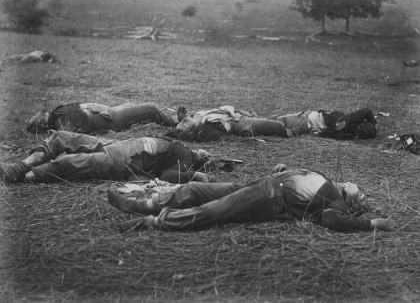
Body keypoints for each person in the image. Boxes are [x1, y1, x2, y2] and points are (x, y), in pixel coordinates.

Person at [108, 163, 396, 233]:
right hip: (262, 183)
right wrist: (284, 169)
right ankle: (140, 204)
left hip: (269, 197)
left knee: (213, 211)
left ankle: (150, 222)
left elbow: (333, 221)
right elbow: (300, 181)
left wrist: (371, 223)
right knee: (196, 190)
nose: (360, 186)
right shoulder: (329, 182)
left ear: (354, 203)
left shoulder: (336, 203)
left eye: (363, 194)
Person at [0, 131, 211, 184]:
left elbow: (168, 176)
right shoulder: (180, 145)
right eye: (207, 153)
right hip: (118, 145)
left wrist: (195, 175)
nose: (207, 154)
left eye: (208, 158)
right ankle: (19, 166)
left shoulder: (185, 161)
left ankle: (25, 176)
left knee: (69, 163)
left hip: (123, 161)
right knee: (62, 137)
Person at [27, 102, 178, 134]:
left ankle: (157, 118)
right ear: (41, 121)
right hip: (110, 118)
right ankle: (176, 125)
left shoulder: (57, 115)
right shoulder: (61, 124)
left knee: (132, 104)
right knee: (150, 108)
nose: (35, 113)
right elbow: (70, 134)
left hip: (107, 111)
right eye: (33, 117)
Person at [167, 105, 293, 142]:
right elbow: (226, 139)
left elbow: (182, 125)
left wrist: (182, 119)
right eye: (184, 125)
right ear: (190, 132)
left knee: (280, 118)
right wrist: (248, 141)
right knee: (278, 126)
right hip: (243, 124)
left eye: (183, 122)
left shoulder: (197, 117)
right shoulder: (204, 131)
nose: (183, 122)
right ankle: (296, 131)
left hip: (242, 114)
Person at [268, 108, 378, 140]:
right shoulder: (349, 130)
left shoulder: (348, 123)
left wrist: (373, 124)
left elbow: (367, 111)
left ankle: (253, 118)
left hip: (307, 120)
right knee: (274, 121)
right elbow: (367, 111)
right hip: (308, 120)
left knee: (274, 121)